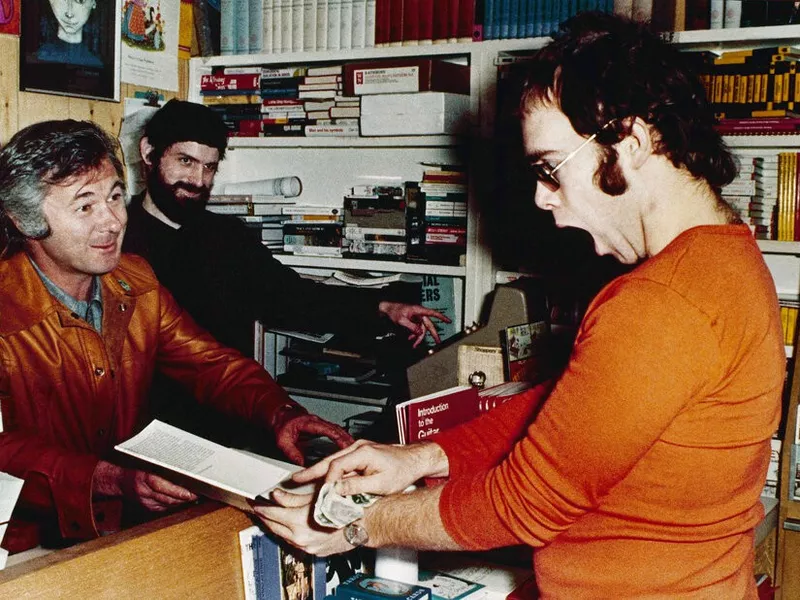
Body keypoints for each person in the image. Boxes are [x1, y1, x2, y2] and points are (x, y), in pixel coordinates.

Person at [253, 13, 785, 598]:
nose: (541, 197)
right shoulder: (729, 260)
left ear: (630, 143)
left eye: (550, 169)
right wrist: (422, 457)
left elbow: (525, 503)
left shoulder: (661, 303)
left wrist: (356, 523)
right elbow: (568, 412)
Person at [0, 120, 351, 553]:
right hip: (24, 545)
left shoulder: (136, 280)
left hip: (116, 529)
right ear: (26, 219)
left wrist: (279, 413)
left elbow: (211, 364)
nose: (112, 221)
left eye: (114, 196)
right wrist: (107, 477)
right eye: (85, 206)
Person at [122, 99, 449, 443]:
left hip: (233, 422)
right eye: (185, 161)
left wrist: (382, 307)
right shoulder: (118, 242)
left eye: (209, 168)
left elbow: (293, 297)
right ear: (148, 152)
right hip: (152, 430)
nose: (197, 180)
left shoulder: (227, 237)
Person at [37, 0, 103, 68]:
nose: (69, 14)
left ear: (94, 2)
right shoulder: (41, 56)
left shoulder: (95, 62)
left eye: (80, 1)